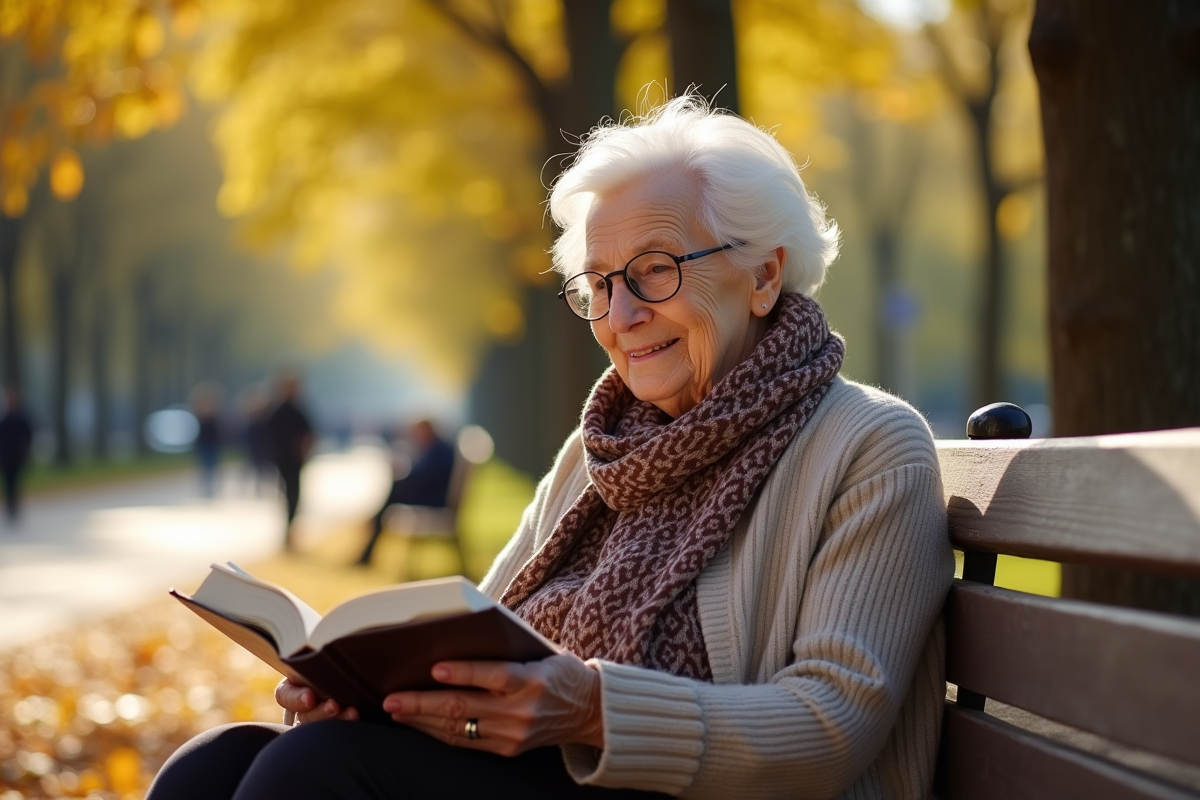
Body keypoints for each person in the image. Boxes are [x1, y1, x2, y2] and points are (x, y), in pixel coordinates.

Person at [148, 94, 953, 799]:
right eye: (600, 284)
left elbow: (831, 725)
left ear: (765, 275)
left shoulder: (869, 446)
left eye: (655, 270)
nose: (621, 316)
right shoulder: (597, 451)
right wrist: (368, 692)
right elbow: (481, 627)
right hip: (550, 775)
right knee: (215, 764)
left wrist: (595, 711)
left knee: (313, 771)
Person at [356, 418, 457, 566]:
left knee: (394, 492)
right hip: (433, 497)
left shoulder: (439, 451)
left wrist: (400, 476)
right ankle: (369, 544)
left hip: (434, 501)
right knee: (395, 491)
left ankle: (369, 543)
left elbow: (423, 479)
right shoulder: (437, 449)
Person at [264, 373, 313, 551]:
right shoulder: (281, 409)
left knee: (293, 497)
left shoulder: (294, 409)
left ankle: (290, 530)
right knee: (291, 496)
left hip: (292, 460)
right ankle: (288, 531)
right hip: (286, 461)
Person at [0, 385, 33, 525]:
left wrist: (26, 451)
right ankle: (10, 507)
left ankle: (14, 506)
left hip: (18, 458)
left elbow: (29, 436)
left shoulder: (21, 419)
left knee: (16, 483)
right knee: (8, 483)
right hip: (5, 458)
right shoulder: (4, 419)